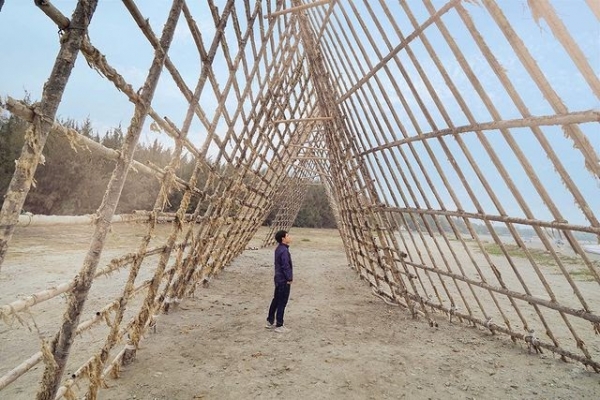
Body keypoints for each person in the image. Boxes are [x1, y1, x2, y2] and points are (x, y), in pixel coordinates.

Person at [265, 230, 293, 333]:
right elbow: (285, 266)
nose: (290, 237)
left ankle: (270, 321)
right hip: (283, 280)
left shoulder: (279, 249)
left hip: (278, 278)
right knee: (282, 302)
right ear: (283, 238)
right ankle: (279, 325)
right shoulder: (284, 251)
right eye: (288, 235)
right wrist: (289, 278)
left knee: (276, 300)